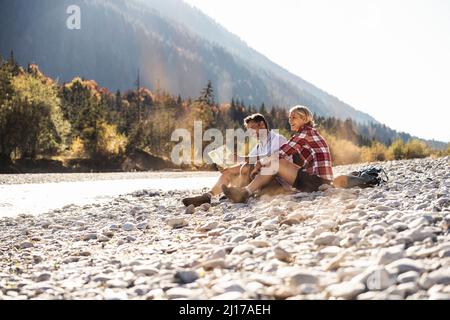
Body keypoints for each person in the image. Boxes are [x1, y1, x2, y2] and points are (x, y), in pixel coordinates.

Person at [222, 105, 333, 203]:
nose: (290, 120)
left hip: (318, 182)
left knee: (276, 162)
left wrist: (260, 163)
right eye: (289, 117)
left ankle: (245, 192)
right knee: (275, 162)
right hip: (314, 179)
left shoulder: (305, 134)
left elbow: (281, 153)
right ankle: (244, 191)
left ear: (304, 119)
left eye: (293, 117)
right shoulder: (307, 133)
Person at [182, 113, 289, 207]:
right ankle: (208, 196)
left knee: (246, 167)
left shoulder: (278, 138)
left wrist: (241, 158)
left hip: (277, 181)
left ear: (261, 124)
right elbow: (246, 161)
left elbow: (270, 157)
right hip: (260, 180)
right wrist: (228, 168)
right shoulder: (258, 146)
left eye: (252, 128)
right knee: (229, 172)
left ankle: (239, 192)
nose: (250, 133)